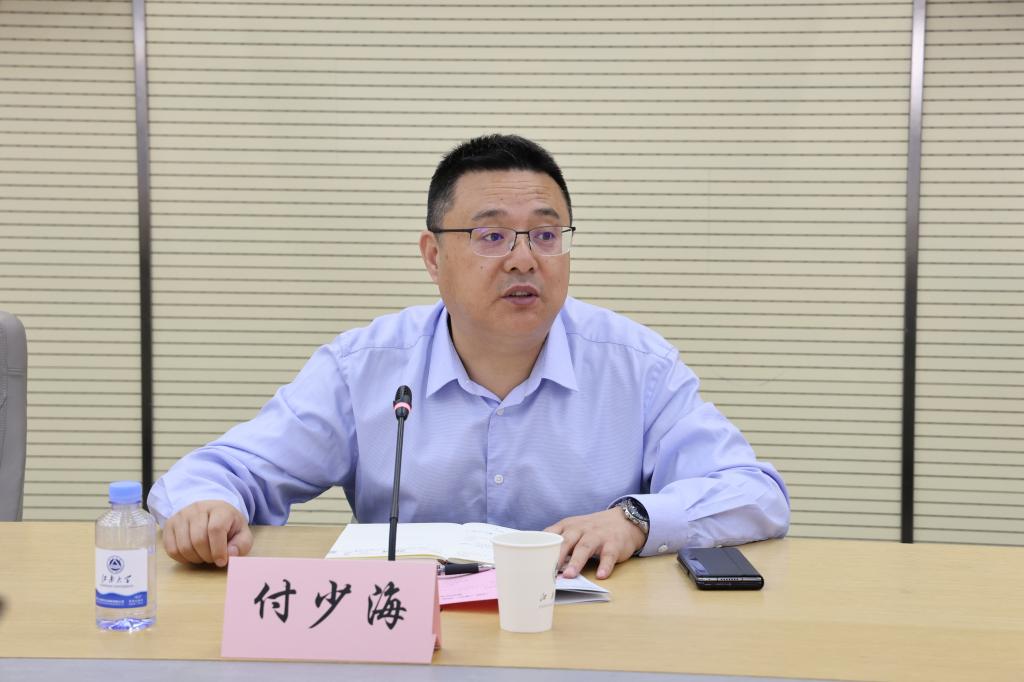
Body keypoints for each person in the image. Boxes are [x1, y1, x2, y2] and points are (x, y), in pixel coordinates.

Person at [149, 134, 789, 579]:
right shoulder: (363, 368)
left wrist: (635, 520)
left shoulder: (636, 366)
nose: (523, 259)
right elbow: (218, 472)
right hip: (408, 642)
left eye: (546, 234)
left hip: (583, 639)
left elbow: (754, 493)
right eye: (491, 235)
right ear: (433, 256)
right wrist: (208, 509)